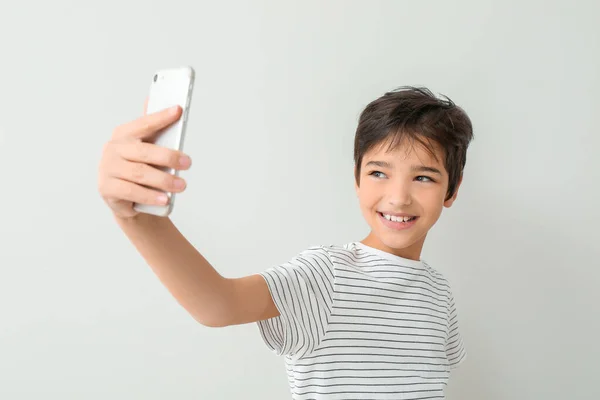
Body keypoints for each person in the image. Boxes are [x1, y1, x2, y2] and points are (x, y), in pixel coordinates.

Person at [98, 86, 473, 399]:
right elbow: (219, 305)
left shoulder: (439, 292)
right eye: (378, 173)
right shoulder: (326, 275)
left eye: (423, 178)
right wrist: (137, 218)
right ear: (357, 180)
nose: (398, 197)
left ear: (451, 190)